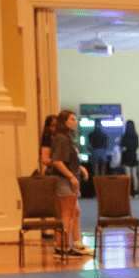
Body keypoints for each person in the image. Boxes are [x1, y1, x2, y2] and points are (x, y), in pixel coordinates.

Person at [48, 110, 93, 256]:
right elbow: (57, 161)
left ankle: (75, 244)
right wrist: (71, 177)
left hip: (67, 178)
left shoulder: (67, 137)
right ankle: (63, 246)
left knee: (74, 211)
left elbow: (67, 160)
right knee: (66, 214)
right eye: (72, 119)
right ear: (64, 122)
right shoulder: (62, 138)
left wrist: (80, 168)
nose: (75, 122)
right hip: (64, 181)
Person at [120, 120, 139, 196]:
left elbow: (123, 148)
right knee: (134, 175)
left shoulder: (125, 136)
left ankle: (128, 192)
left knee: (128, 176)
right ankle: (135, 192)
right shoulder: (135, 135)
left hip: (127, 156)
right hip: (133, 156)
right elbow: (137, 146)